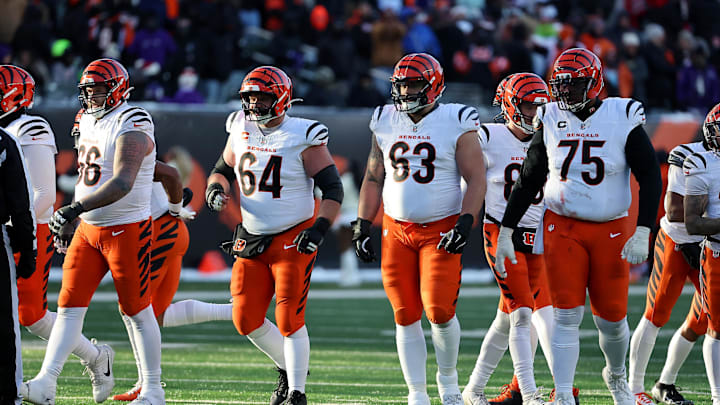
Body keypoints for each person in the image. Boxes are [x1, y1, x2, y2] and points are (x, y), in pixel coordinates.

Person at [495, 48, 661, 405]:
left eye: (575, 85)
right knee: (566, 314)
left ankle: (617, 376)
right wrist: (507, 229)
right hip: (562, 226)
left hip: (610, 229)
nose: (566, 93)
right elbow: (530, 177)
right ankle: (565, 395)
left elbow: (649, 176)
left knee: (612, 322)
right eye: (562, 86)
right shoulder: (551, 116)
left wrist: (645, 229)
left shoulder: (621, 114)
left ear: (595, 83)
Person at [22, 58, 165, 405]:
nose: (91, 98)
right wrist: (74, 215)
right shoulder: (85, 117)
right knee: (69, 306)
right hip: (89, 228)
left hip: (126, 228)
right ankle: (46, 382)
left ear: (117, 90)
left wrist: (75, 208)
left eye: (98, 90)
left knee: (136, 310)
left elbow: (122, 181)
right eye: (87, 91)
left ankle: (153, 389)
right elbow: (90, 176)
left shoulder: (133, 120)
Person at [352, 53, 486, 405]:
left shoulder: (456, 119)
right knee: (404, 313)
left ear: (434, 86)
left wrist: (466, 221)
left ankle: (449, 383)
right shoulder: (383, 118)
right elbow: (373, 174)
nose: (406, 92)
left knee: (439, 311)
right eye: (402, 85)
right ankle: (416, 393)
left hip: (440, 227)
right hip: (396, 229)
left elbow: (476, 178)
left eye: (414, 85)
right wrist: (363, 222)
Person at [205, 66, 343, 405]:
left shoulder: (302, 134)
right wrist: (214, 188)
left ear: (281, 97)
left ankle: (297, 391)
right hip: (252, 235)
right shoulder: (239, 126)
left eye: (262, 96)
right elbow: (222, 170)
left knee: (288, 317)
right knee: (245, 318)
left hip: (293, 235)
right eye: (250, 97)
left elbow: (332, 189)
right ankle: (287, 365)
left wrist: (319, 229)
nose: (254, 104)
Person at [0, 66, 115, 403]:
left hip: (27, 226)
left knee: (31, 316)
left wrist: (14, 228)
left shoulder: (29, 126)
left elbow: (43, 194)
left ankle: (95, 356)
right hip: (13, 223)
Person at [462, 73, 555, 405]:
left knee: (508, 318)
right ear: (509, 105)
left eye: (539, 106)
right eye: (528, 105)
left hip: (540, 236)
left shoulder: (553, 133)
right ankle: (529, 394)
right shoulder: (487, 136)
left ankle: (474, 389)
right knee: (522, 314)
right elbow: (465, 171)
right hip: (501, 232)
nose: (534, 113)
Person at [628, 137, 709, 404]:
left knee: (704, 321)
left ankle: (665, 383)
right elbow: (675, 211)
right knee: (656, 313)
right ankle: (634, 387)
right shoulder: (687, 156)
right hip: (678, 241)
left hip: (709, 247)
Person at [683, 102, 720, 405]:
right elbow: (692, 222)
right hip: (717, 252)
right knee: (717, 328)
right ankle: (718, 396)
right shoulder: (703, 163)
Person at [0, 93, 36, 405]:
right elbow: (20, 204)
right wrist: (28, 248)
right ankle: (9, 395)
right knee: (4, 323)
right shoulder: (4, 141)